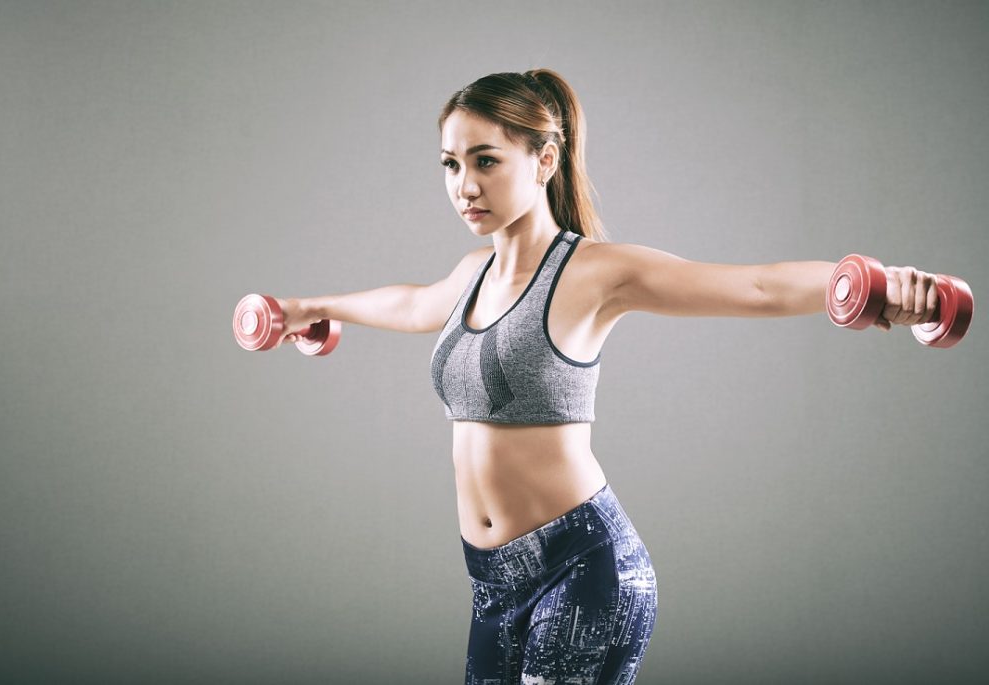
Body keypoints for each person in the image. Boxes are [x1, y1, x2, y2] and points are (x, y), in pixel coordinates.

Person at [273, 69, 939, 684]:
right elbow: (412, 302)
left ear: (545, 158)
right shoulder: (470, 274)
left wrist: (873, 286)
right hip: (493, 582)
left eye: (485, 160)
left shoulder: (592, 273)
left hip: (584, 570)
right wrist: (312, 309)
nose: (464, 185)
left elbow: (756, 286)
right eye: (450, 163)